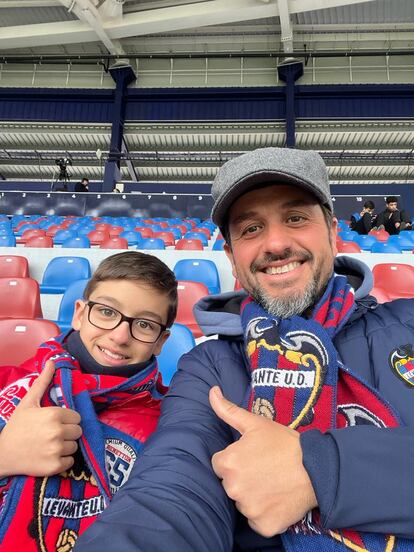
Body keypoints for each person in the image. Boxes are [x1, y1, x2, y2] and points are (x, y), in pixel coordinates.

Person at [75, 148, 414, 551]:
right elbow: (173, 487)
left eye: (295, 218)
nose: (275, 243)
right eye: (250, 229)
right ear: (232, 258)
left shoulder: (407, 322)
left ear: (332, 231)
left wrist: (325, 471)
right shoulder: (210, 366)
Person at [0, 251, 177, 551]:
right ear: (80, 314)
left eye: (145, 324)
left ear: (161, 341)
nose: (120, 336)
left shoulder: (171, 420)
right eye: (107, 312)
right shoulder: (8, 382)